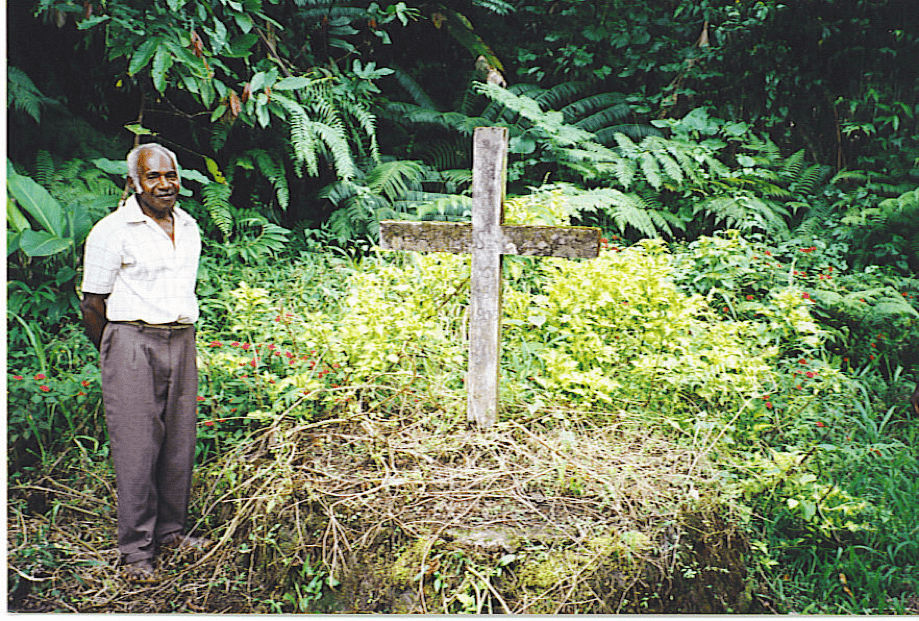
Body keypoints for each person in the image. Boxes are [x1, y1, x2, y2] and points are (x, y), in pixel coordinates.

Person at [80, 143, 209, 583]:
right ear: (133, 182)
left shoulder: (188, 226)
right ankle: (136, 550)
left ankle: (172, 532)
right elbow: (92, 304)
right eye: (152, 176)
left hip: (181, 338)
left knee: (179, 442)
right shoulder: (112, 231)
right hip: (131, 339)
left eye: (170, 175)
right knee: (137, 447)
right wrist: (117, 350)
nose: (164, 185)